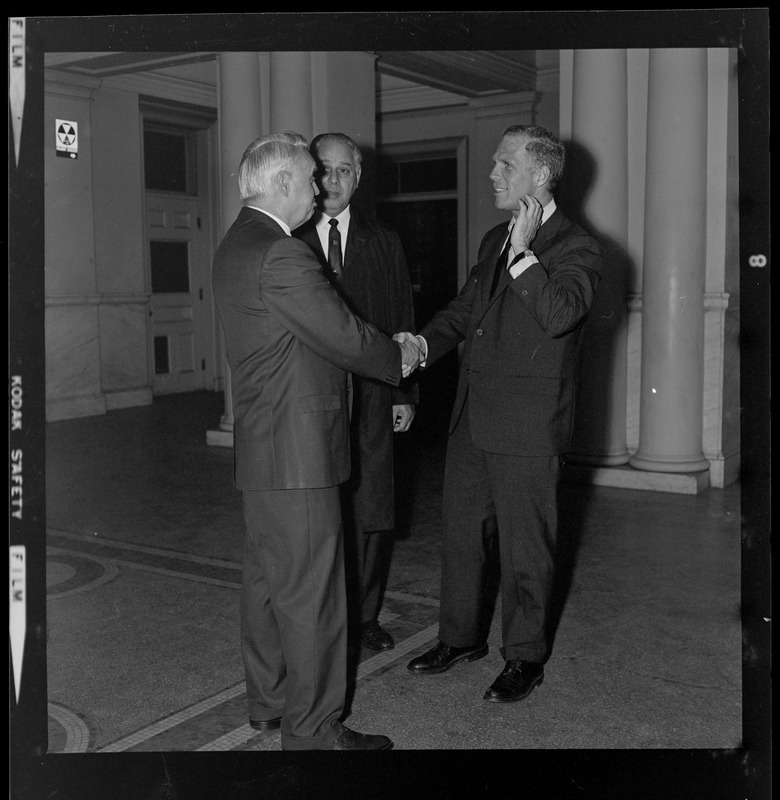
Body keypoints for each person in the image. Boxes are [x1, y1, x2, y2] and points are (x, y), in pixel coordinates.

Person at [211, 131, 422, 750]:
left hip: (264, 448)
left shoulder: (237, 244)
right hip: (299, 454)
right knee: (314, 596)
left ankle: (270, 703)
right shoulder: (282, 253)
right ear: (281, 183)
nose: (320, 188)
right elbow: (346, 336)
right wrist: (400, 358)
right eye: (310, 178)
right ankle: (316, 731)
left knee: (268, 583)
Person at [396, 124, 601, 704]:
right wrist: (419, 347)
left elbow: (559, 314)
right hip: (472, 417)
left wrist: (522, 253)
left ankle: (525, 657)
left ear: (540, 175)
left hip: (529, 427)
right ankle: (460, 639)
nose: (492, 174)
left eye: (504, 166)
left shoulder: (579, 247)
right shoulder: (494, 238)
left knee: (525, 549)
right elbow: (466, 312)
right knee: (461, 538)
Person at [294, 132, 417, 653]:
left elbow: (401, 322)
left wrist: (404, 392)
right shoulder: (291, 239)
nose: (334, 180)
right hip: (313, 396)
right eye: (325, 169)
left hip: (372, 394)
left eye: (345, 170)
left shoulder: (384, 239)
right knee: (322, 507)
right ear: (311, 174)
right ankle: (326, 615)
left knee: (372, 506)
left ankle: (364, 616)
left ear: (359, 178)